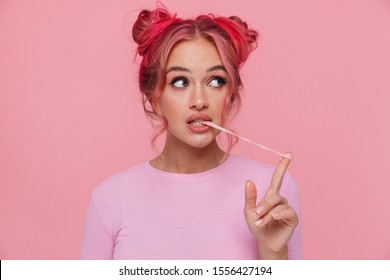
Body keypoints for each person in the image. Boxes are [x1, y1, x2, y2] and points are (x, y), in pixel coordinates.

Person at [80, 4, 302, 260]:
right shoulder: (109, 199)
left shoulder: (273, 192)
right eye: (180, 82)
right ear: (154, 98)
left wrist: (273, 254)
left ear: (230, 95)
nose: (199, 100)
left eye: (215, 81)